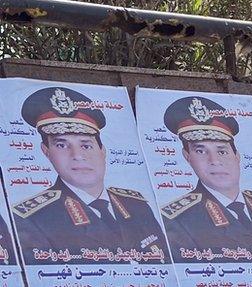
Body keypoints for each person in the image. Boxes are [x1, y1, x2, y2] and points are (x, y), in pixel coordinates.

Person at [13, 87, 169, 265]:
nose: (77, 155)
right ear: (46, 151)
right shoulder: (34, 219)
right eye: (62, 146)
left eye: (86, 145)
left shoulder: (137, 206)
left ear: (102, 151)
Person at [161, 96, 252, 263]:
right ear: (187, 157)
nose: (214, 161)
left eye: (222, 151)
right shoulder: (179, 220)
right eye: (201, 151)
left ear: (237, 156)